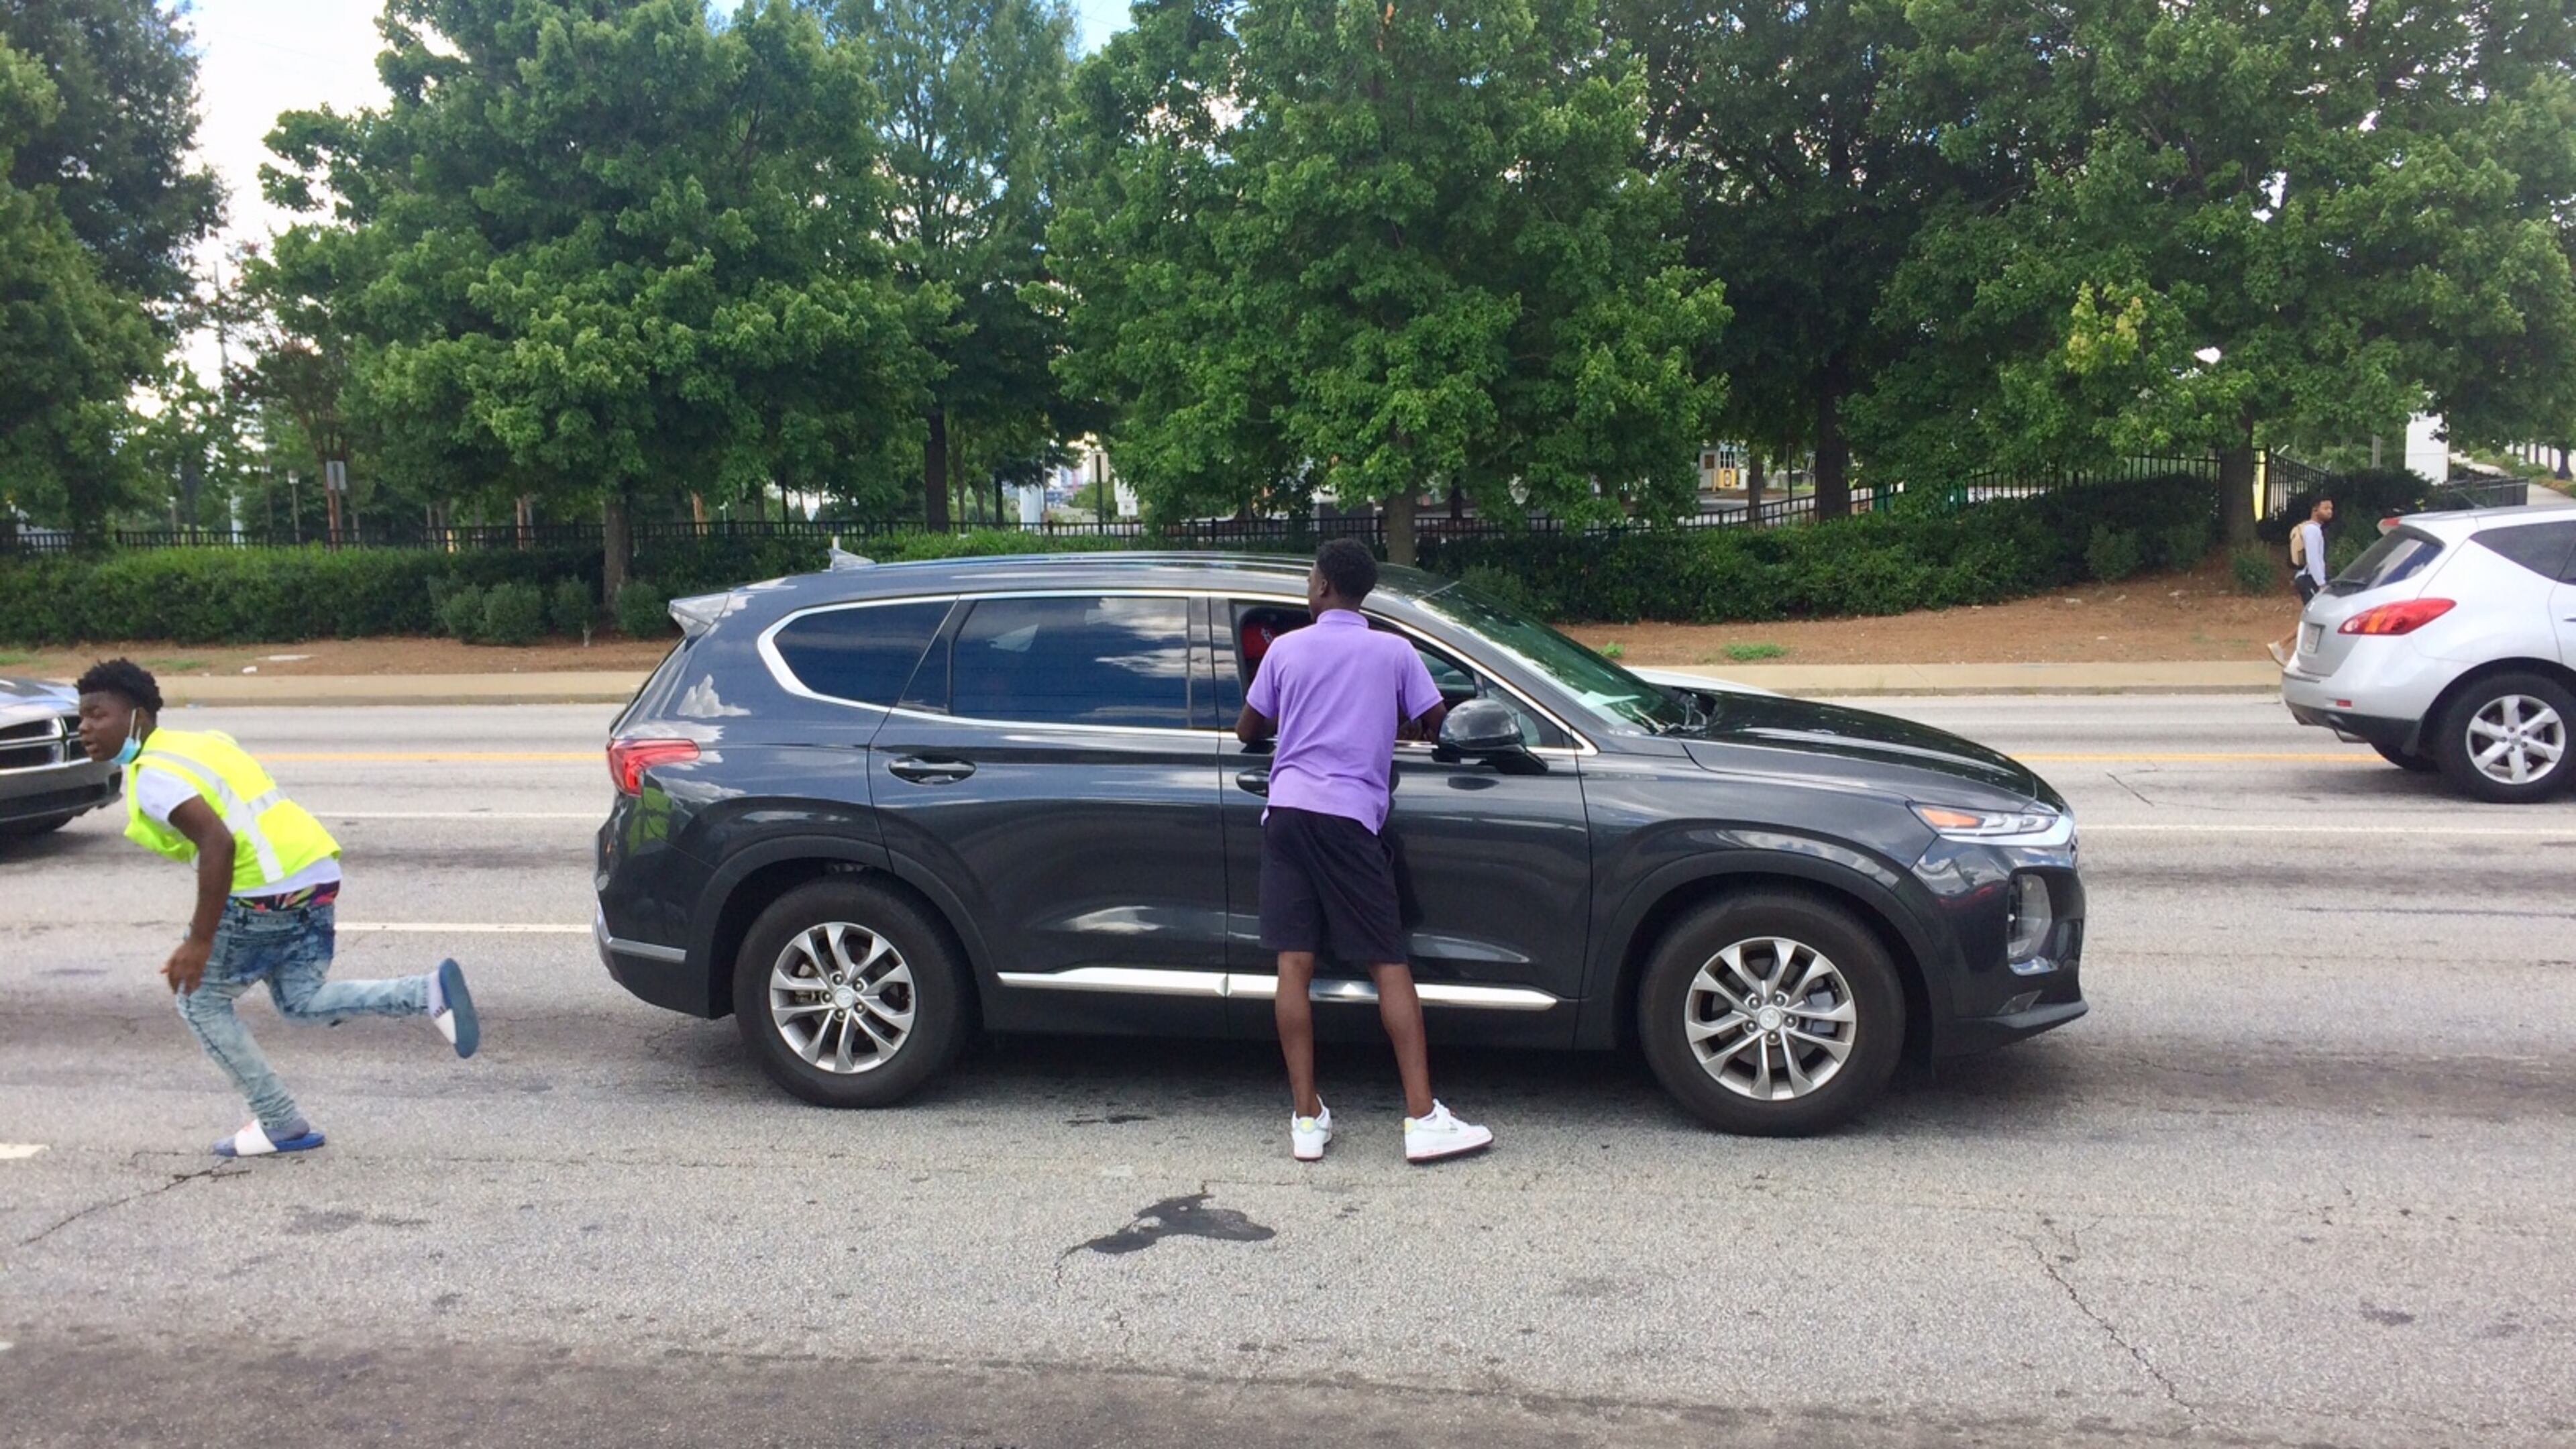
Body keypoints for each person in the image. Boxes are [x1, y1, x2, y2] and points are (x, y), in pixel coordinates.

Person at [73, 659, 480, 1158]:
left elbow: (217, 844)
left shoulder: (155, 774)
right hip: (314, 875)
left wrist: (199, 942)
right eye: (81, 719)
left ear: (137, 715)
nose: (85, 728)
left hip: (262, 892)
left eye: (97, 714)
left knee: (198, 999)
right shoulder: (204, 742)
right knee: (302, 1000)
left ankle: (278, 1120)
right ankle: (425, 992)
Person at [1235, 540, 1495, 1165]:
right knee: (1387, 962)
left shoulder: (1286, 649)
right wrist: (1389, 721)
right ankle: (1422, 1117)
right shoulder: (1395, 652)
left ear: (1323, 586)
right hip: (1350, 821)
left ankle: (1306, 1119)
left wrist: (1298, 714)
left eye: (1308, 576)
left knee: (1293, 967)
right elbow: (1438, 722)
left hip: (1288, 815)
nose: (1306, 585)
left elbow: (1249, 729)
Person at [2269, 498, 2334, 665]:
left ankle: (2288, 648)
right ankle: (2282, 646)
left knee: (2314, 618)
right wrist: (2321, 583)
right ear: (2315, 510)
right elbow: (2313, 559)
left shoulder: (2310, 529)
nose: (2329, 511)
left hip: (2307, 578)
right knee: (2314, 618)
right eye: (2326, 508)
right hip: (2309, 579)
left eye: (2331, 509)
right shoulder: (2313, 531)